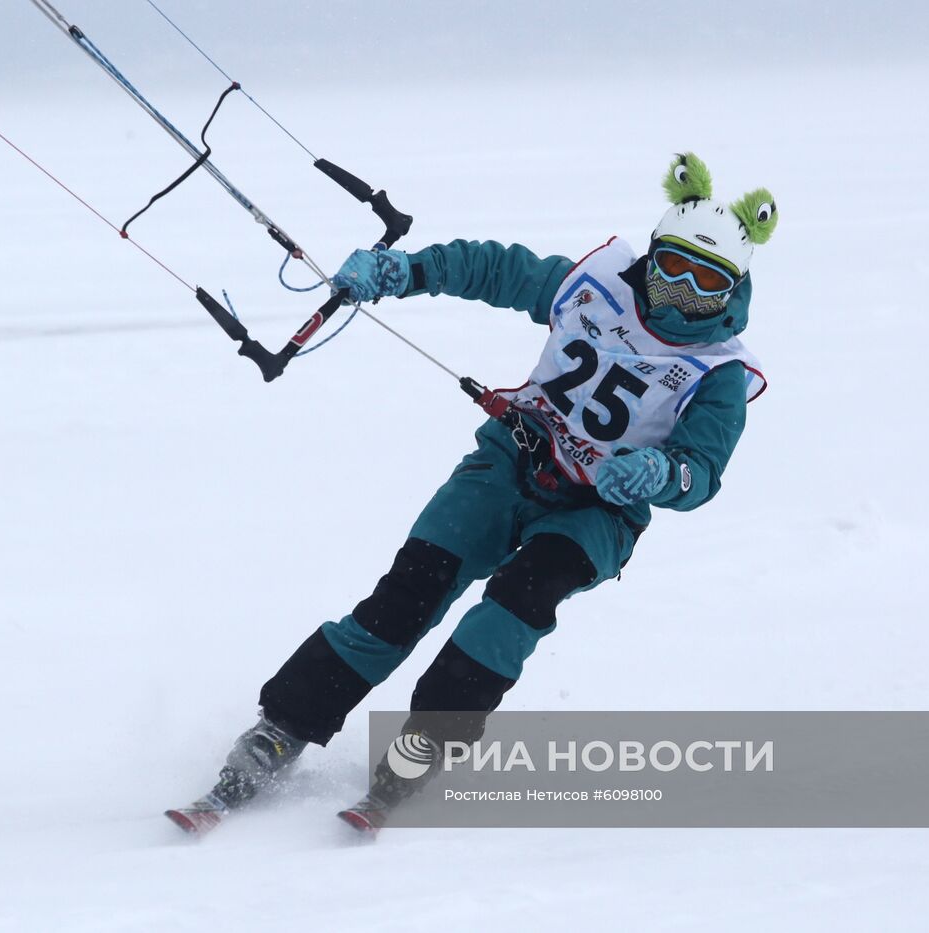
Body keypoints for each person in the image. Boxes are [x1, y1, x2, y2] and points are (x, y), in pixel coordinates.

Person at [172, 152, 778, 831]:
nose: (684, 293)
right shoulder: (593, 286)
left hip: (596, 513)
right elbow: (494, 269)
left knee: (516, 605)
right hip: (509, 462)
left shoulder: (720, 373)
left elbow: (702, 469)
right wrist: (407, 272)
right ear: (651, 256)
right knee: (407, 596)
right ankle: (280, 729)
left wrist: (663, 474)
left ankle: (423, 746)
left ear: (733, 288)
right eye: (674, 268)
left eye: (708, 282)